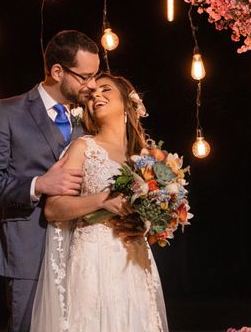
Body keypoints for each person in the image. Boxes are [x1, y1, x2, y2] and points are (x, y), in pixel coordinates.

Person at [0, 30, 101, 332]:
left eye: (95, 76)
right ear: (57, 71)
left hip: (86, 255)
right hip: (30, 253)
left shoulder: (90, 118)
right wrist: (38, 185)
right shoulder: (7, 112)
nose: (92, 85)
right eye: (84, 77)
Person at [31, 73, 169, 332]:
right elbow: (52, 209)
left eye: (106, 90)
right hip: (93, 259)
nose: (96, 95)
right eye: (93, 93)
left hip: (134, 259)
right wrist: (103, 200)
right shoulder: (83, 148)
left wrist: (146, 225)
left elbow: (154, 211)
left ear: (127, 104)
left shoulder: (144, 157)